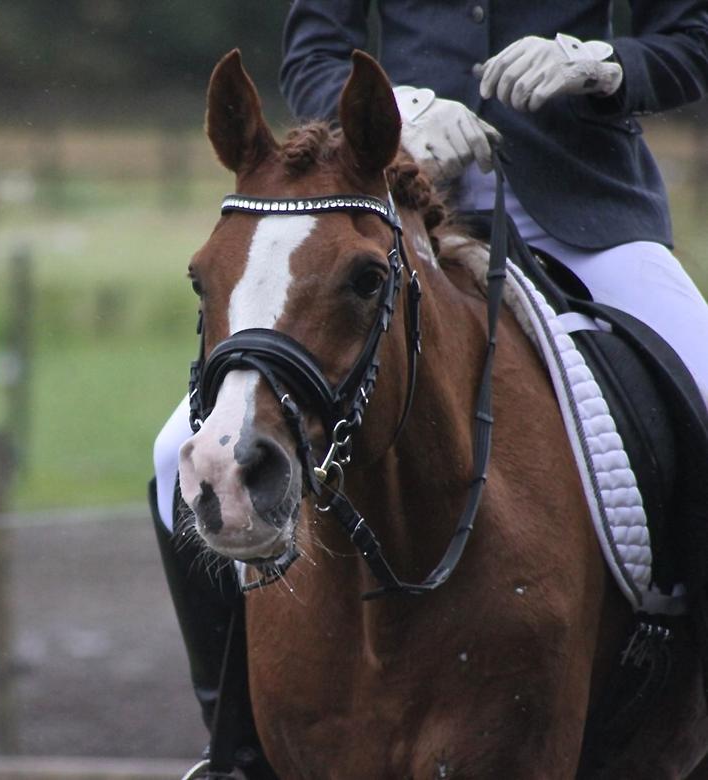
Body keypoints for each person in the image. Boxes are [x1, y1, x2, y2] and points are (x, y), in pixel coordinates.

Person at [151, 2, 708, 776]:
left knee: (704, 383)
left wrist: (604, 66)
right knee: (173, 448)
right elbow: (314, 48)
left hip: (589, 222)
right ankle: (234, 745)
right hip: (381, 210)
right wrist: (403, 106)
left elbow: (691, 38)